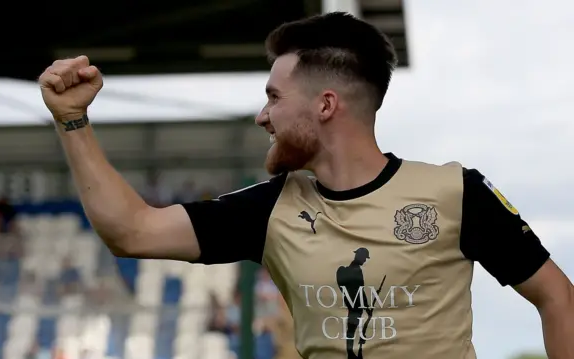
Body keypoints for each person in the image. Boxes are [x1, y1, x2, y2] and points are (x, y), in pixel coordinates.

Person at [38, 11, 574, 359]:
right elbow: (132, 232)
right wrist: (72, 121)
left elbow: (557, 298)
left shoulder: (455, 192)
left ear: (325, 106)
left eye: (273, 97)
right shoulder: (269, 209)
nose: (261, 116)